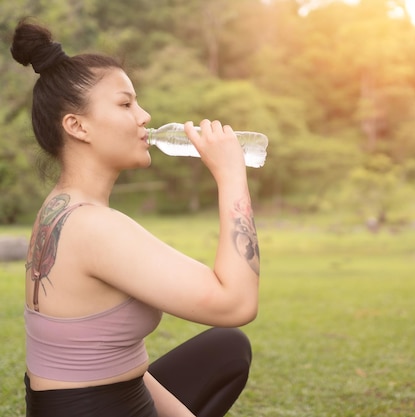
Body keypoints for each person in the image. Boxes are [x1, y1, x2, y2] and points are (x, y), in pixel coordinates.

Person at [10, 19, 260, 417]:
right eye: (126, 104)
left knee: (227, 349)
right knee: (230, 332)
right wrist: (230, 176)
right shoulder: (93, 227)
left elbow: (108, 358)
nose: (144, 116)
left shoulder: (59, 207)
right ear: (77, 126)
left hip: (100, 402)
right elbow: (237, 303)